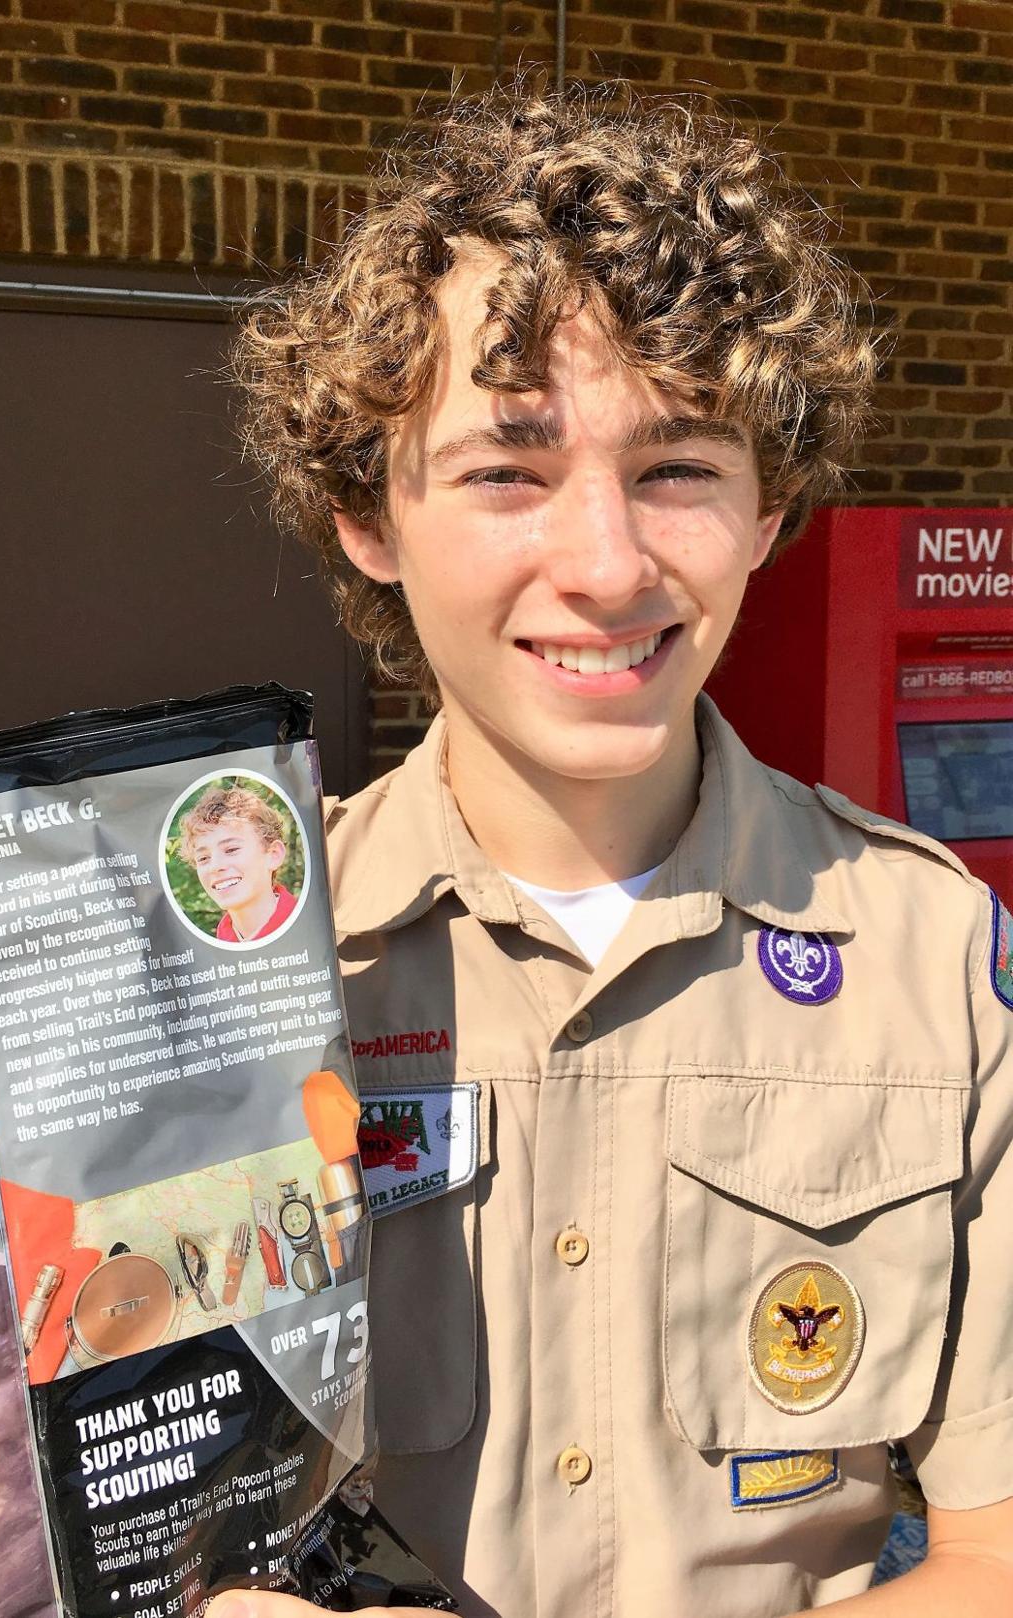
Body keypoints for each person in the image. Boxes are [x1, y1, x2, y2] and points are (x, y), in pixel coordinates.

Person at [213, 83, 1013, 1617]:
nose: (604, 566)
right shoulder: (241, 986)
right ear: (366, 515)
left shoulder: (935, 963)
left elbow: (990, 1547)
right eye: (507, 470)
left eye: (677, 468)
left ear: (767, 505)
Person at [175, 782, 296, 943]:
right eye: (203, 858)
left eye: (231, 850)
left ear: (273, 855)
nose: (216, 867)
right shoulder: (216, 950)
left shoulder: (313, 926)